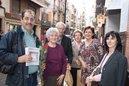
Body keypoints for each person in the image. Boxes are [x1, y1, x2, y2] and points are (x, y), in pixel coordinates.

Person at [0, 9, 41, 86]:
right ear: (21, 20)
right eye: (26, 18)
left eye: (32, 19)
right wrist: (18, 58)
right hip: (18, 80)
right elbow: (1, 53)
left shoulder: (35, 38)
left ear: (34, 21)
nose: (29, 21)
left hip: (33, 78)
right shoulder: (12, 34)